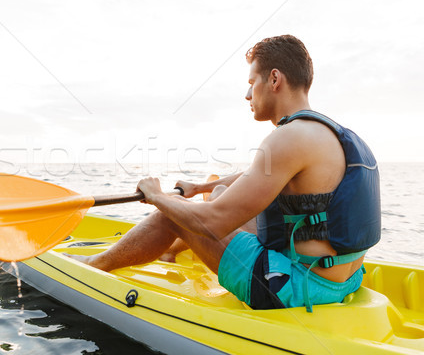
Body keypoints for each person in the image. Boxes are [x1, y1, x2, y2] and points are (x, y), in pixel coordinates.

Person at [71, 35, 381, 312]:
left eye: (251, 82)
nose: (248, 95)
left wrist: (156, 196)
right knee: (216, 193)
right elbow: (255, 175)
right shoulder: (329, 134)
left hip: (293, 288)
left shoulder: (286, 138)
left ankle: (94, 265)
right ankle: (168, 253)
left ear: (274, 79)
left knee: (173, 216)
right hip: (342, 281)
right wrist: (198, 188)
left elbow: (213, 222)